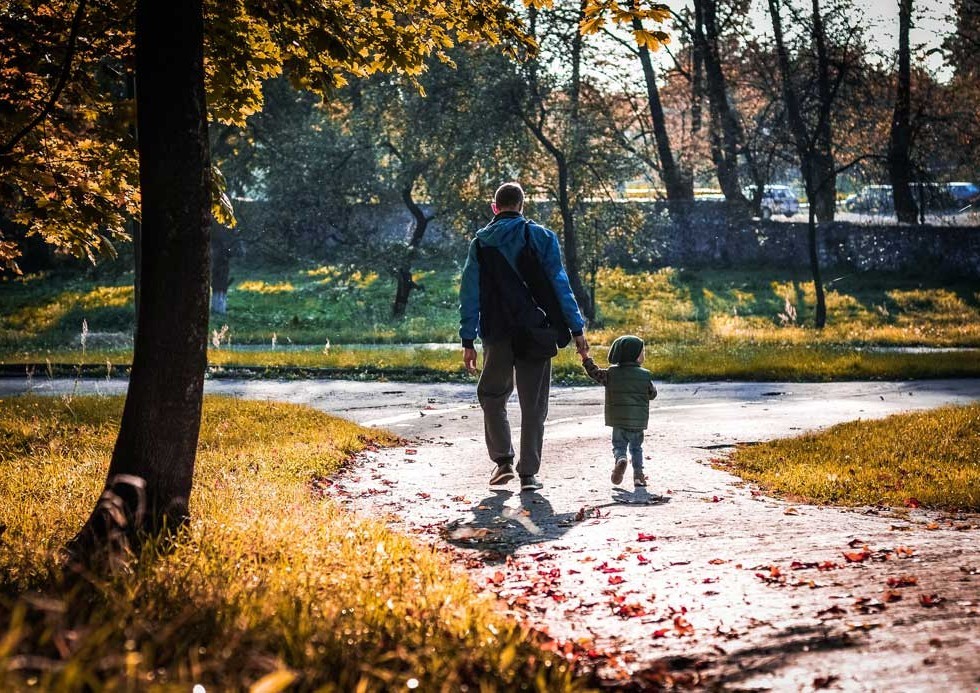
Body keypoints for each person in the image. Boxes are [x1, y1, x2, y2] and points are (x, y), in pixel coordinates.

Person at [459, 182, 588, 491]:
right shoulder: (542, 237)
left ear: (495, 207)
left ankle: (502, 461)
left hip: (497, 332)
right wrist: (577, 329)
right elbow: (560, 285)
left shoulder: (480, 243)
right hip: (537, 331)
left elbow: (469, 293)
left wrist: (468, 340)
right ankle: (528, 474)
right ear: (522, 205)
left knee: (492, 396)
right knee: (534, 404)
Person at [581, 335, 658, 487]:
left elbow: (594, 373)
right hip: (637, 422)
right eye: (642, 352)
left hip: (618, 421)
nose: (644, 354)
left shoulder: (611, 374)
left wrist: (585, 356)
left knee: (619, 446)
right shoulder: (644, 376)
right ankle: (638, 476)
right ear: (634, 355)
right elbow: (652, 394)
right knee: (636, 448)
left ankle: (621, 459)